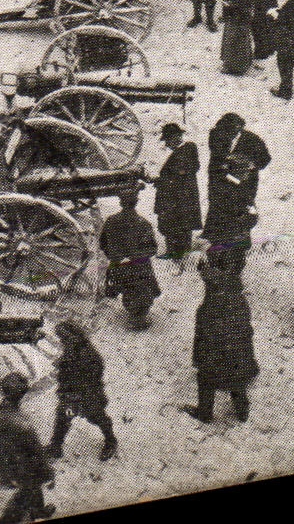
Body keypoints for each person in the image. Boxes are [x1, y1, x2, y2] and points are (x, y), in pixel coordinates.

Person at [185, 254, 259, 424]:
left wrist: (199, 360)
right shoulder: (240, 300)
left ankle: (205, 413)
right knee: (237, 380)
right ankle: (242, 411)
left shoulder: (207, 309)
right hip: (240, 360)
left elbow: (202, 338)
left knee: (205, 379)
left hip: (217, 360)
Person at [0, 373, 55, 524]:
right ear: (22, 394)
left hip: (3, 459)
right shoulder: (24, 426)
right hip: (23, 468)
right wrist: (49, 474)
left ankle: (38, 509)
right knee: (24, 496)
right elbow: (37, 455)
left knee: (34, 489)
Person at [203, 112, 269, 278]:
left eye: (232, 131)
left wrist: (249, 165)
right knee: (218, 220)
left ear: (239, 129)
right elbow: (216, 160)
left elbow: (265, 159)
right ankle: (216, 258)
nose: (228, 135)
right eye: (225, 131)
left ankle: (235, 261)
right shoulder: (217, 137)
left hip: (243, 188)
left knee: (239, 220)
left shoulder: (251, 140)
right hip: (220, 188)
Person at [47, 321, 118, 461]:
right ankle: (55, 447)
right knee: (63, 418)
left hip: (88, 396)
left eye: (64, 338)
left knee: (97, 418)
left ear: (73, 336)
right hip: (71, 397)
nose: (62, 341)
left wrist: (76, 381)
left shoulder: (88, 354)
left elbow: (96, 371)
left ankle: (110, 441)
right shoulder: (72, 348)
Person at [99, 187, 161, 330]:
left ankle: (134, 313)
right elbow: (152, 249)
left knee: (128, 288)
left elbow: (103, 243)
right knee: (142, 287)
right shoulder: (143, 223)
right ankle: (139, 315)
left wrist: (116, 257)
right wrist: (136, 257)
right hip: (140, 268)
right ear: (136, 203)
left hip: (119, 267)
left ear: (121, 203)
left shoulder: (111, 221)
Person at [153, 122, 202, 260]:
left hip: (177, 198)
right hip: (182, 197)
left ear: (175, 137)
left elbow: (179, 174)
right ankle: (181, 251)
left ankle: (176, 252)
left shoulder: (185, 151)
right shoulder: (186, 151)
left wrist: (160, 180)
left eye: (167, 140)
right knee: (182, 224)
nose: (167, 144)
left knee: (173, 223)